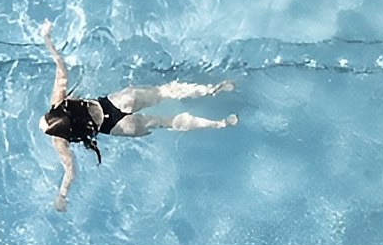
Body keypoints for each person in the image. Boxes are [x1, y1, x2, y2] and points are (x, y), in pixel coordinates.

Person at [39, 20, 237, 212]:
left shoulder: (59, 142)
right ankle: (211, 90)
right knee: (165, 92)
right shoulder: (58, 102)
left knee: (166, 122)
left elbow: (70, 172)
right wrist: (47, 38)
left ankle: (218, 123)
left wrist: (61, 197)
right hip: (118, 102)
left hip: (119, 126)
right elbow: (61, 69)